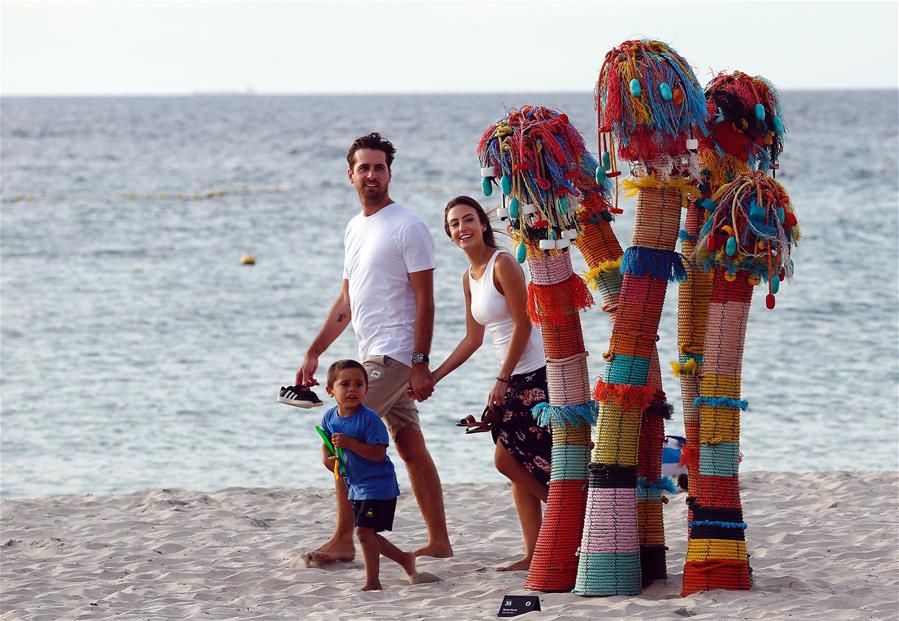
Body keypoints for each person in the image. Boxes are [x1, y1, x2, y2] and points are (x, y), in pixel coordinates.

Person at [296, 132, 452, 565]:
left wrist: (419, 362)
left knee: (345, 437)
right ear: (349, 175)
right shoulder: (354, 228)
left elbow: (425, 299)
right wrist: (314, 351)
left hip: (395, 354)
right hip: (373, 354)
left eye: (379, 167)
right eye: (363, 167)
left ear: (389, 174)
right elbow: (346, 303)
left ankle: (343, 540)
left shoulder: (408, 226)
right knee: (410, 445)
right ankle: (440, 541)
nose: (371, 175)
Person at [429, 195, 552, 572]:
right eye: (454, 224)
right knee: (518, 463)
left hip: (534, 373)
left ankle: (569, 517)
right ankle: (534, 552)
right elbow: (473, 339)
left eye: (468, 219)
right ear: (450, 234)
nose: (462, 228)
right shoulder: (469, 277)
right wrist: (434, 376)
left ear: (482, 224)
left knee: (505, 459)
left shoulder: (504, 264)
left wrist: (503, 379)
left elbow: (524, 324)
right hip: (511, 375)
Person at [320, 360, 440, 590]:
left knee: (364, 532)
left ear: (366, 389)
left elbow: (378, 454)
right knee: (367, 534)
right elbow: (326, 442)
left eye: (359, 384)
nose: (352, 389)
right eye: (345, 384)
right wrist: (327, 459)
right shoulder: (330, 417)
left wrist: (350, 444)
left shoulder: (370, 419)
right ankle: (404, 559)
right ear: (330, 390)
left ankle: (373, 582)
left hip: (378, 485)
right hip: (356, 486)